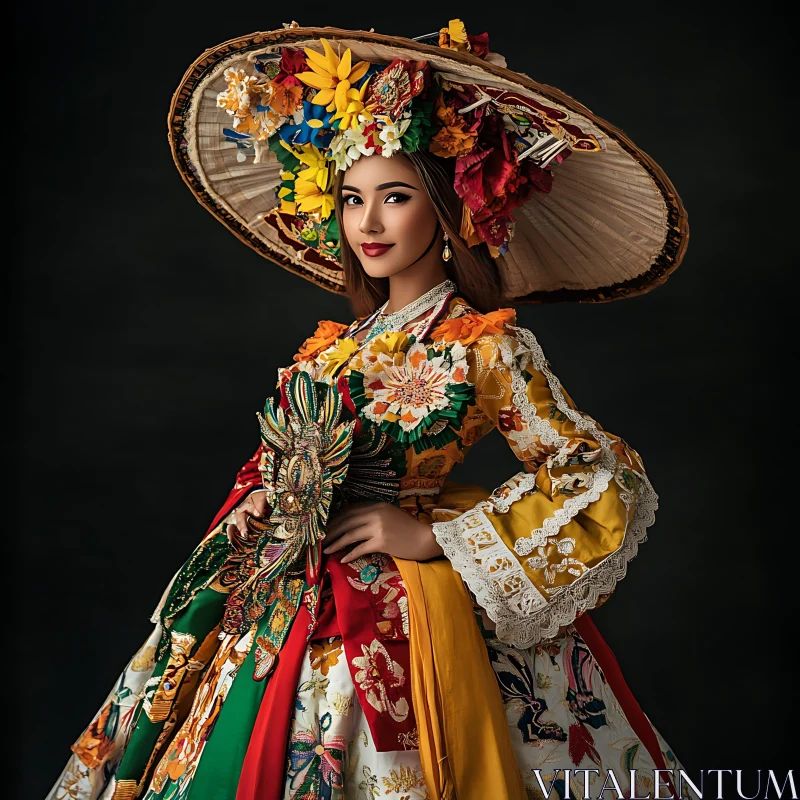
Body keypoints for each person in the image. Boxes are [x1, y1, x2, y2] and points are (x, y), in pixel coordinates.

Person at [47, 20, 692, 800]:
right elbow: (283, 457)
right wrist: (260, 498)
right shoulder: (329, 347)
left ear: (447, 209)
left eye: (395, 197)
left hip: (400, 616)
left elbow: (596, 473)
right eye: (353, 200)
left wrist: (435, 537)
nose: (369, 224)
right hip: (277, 598)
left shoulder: (482, 347)